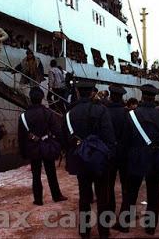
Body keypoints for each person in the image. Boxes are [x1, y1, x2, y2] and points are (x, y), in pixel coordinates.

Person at [63, 81, 116, 239]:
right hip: (100, 160)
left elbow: (64, 138)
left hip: (80, 159)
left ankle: (84, 231)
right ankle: (104, 231)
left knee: (84, 197)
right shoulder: (101, 110)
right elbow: (109, 137)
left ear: (78, 93)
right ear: (92, 92)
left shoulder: (69, 113)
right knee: (103, 198)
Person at [126, 84, 159, 235]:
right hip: (155, 158)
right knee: (153, 193)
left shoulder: (132, 115)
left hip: (136, 157)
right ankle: (151, 227)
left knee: (131, 193)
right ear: (154, 97)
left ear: (142, 96)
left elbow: (126, 139)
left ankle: (125, 222)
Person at [18, 87, 68, 205]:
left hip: (32, 147)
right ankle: (56, 195)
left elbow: (21, 136)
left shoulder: (23, 116)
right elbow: (57, 130)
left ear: (30, 99)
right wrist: (61, 145)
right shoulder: (48, 113)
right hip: (47, 145)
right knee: (51, 172)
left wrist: (23, 152)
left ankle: (38, 199)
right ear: (42, 98)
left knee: (36, 174)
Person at [106, 85, 131, 233]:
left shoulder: (104, 112)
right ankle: (124, 220)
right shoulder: (127, 114)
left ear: (110, 95)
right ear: (121, 97)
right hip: (125, 155)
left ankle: (108, 214)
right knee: (126, 188)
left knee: (108, 185)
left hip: (109, 154)